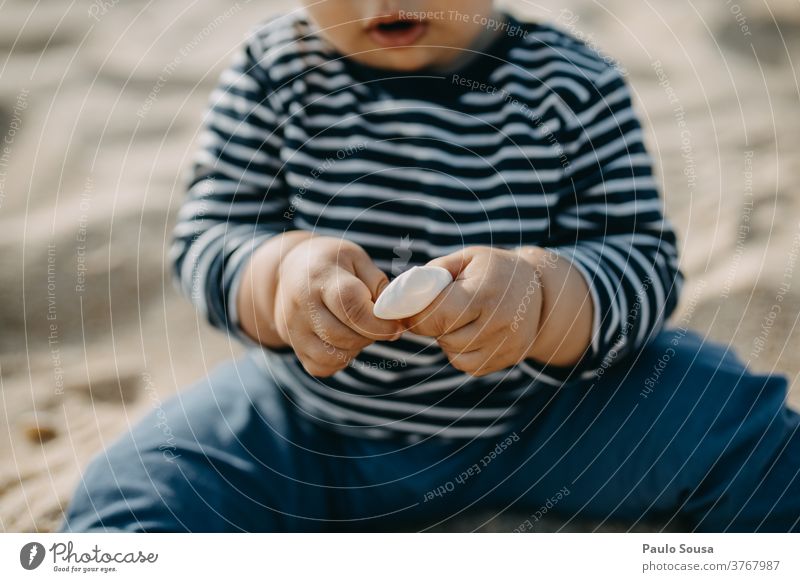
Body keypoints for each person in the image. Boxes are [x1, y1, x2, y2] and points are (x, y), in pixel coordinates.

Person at [60, 0, 800, 532]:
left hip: (546, 414)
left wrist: (543, 296)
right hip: (309, 422)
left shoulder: (573, 84)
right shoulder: (273, 72)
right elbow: (210, 235)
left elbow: (641, 262)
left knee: (754, 439)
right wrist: (278, 274)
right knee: (131, 499)